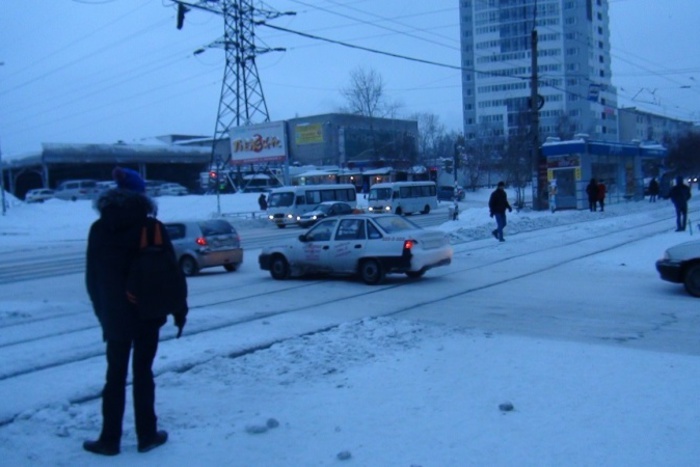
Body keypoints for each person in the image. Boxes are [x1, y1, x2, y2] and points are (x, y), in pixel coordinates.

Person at [84, 167, 188, 456]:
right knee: (143, 373)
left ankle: (109, 439)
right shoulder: (151, 227)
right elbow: (171, 273)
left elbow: (92, 278)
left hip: (115, 316)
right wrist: (180, 310)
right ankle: (147, 435)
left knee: (114, 376)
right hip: (147, 313)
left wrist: (102, 312)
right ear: (141, 195)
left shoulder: (99, 229)